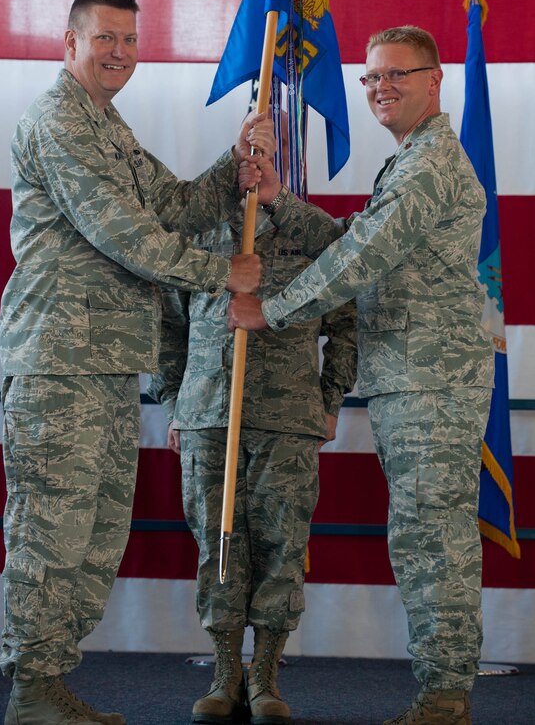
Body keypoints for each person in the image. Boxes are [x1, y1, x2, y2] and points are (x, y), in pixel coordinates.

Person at [0, 0, 275, 725]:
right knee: (51, 529)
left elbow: (177, 205)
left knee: (92, 534)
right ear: (69, 44)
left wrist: (236, 162)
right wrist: (223, 273)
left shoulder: (107, 125)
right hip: (59, 362)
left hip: (108, 364)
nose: (120, 52)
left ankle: (49, 684)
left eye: (129, 39)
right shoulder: (60, 120)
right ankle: (31, 686)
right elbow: (124, 232)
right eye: (104, 39)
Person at [229, 26, 494, 725]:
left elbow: (364, 258)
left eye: (395, 75)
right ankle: (443, 690)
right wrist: (283, 201)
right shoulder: (409, 163)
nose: (379, 88)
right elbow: (359, 238)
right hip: (412, 375)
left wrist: (273, 310)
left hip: (432, 379)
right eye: (370, 78)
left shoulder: (431, 162)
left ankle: (444, 696)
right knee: (421, 532)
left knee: (431, 536)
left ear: (436, 80)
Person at [147, 162, 357, 724]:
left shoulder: (313, 233)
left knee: (281, 546)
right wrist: (174, 404)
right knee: (217, 546)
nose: (256, 158)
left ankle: (265, 676)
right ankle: (225, 672)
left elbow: (347, 321)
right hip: (208, 414)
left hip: (287, 417)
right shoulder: (197, 232)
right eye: (249, 146)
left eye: (268, 147)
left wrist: (330, 400)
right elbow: (167, 327)